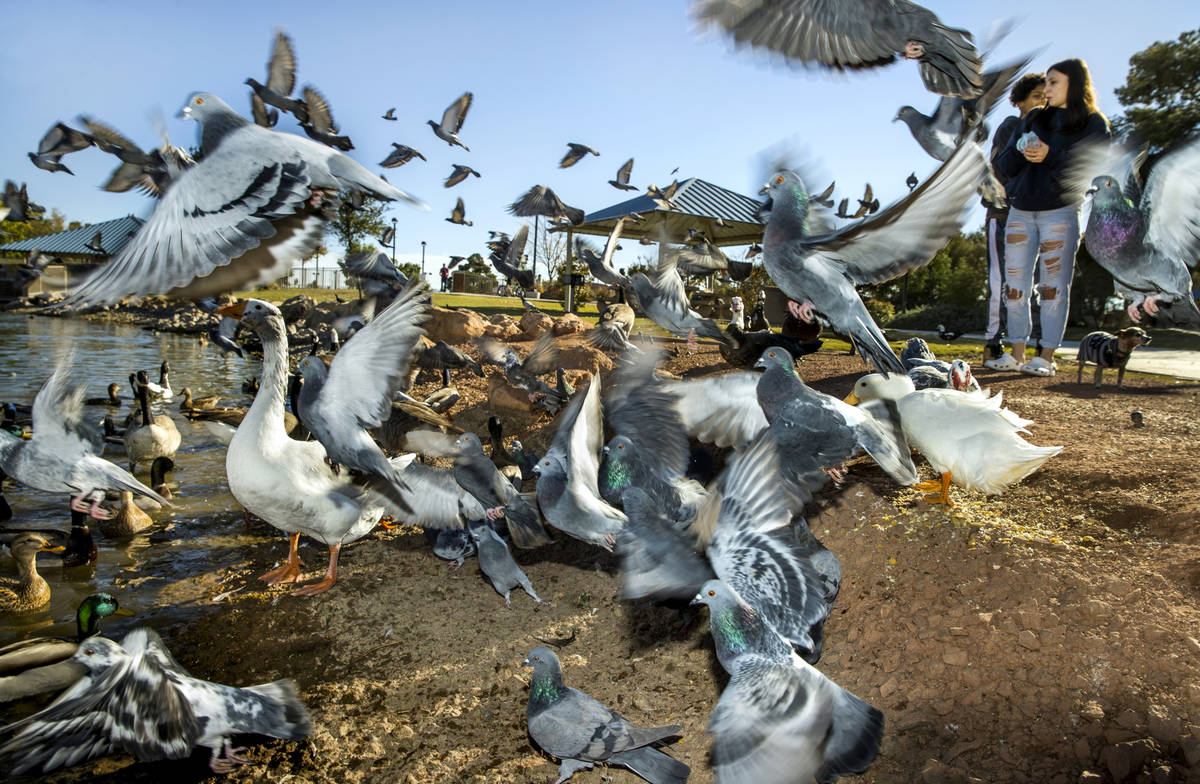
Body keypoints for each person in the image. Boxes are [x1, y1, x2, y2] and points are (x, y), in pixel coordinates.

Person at [992, 58, 1111, 377]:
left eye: (1053, 82)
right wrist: (1020, 148)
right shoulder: (1033, 119)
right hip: (1020, 211)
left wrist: (1051, 155)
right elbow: (1003, 167)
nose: (1045, 89)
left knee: (1053, 288)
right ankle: (1016, 353)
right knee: (1014, 287)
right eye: (1045, 82)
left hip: (1060, 212)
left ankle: (1045, 356)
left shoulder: (1093, 124)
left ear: (1075, 84)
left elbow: (1090, 171)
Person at [982, 73, 1046, 369]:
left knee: (1028, 285)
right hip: (1004, 216)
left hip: (1034, 218)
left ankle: (1029, 348)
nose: (1043, 101)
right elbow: (1000, 168)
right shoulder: (1011, 127)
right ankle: (994, 344)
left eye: (1046, 97)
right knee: (1001, 282)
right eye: (1036, 96)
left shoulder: (1053, 133)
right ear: (1019, 101)